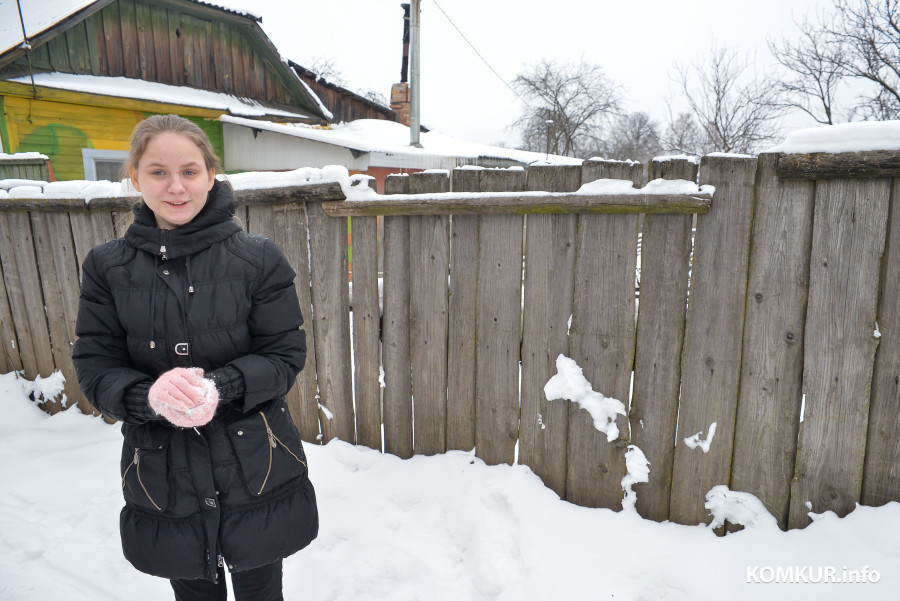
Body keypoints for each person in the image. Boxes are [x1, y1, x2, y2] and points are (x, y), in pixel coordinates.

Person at [73, 114, 318, 601]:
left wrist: (221, 387)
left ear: (210, 174)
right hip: (164, 472)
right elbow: (95, 364)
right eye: (158, 172)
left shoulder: (257, 258)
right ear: (135, 177)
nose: (176, 186)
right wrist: (148, 398)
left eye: (189, 171)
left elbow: (284, 354)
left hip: (256, 464)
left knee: (261, 591)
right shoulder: (107, 267)